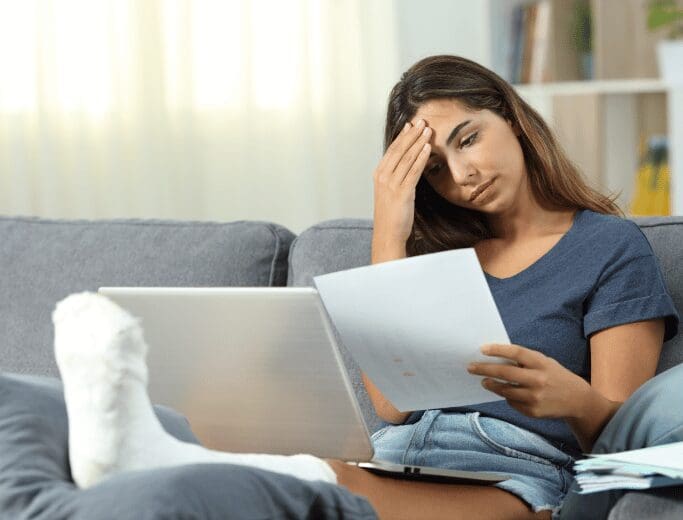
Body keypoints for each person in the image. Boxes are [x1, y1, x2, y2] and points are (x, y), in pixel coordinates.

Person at [54, 55, 680, 520]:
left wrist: (569, 397)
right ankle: (159, 455)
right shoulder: (442, 253)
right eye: (434, 169)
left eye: (469, 139)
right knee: (312, 483)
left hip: (517, 475)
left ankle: (151, 454)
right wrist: (391, 230)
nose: (462, 175)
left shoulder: (609, 248)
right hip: (402, 450)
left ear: (512, 118)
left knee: (324, 493)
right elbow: (392, 403)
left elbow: (626, 446)